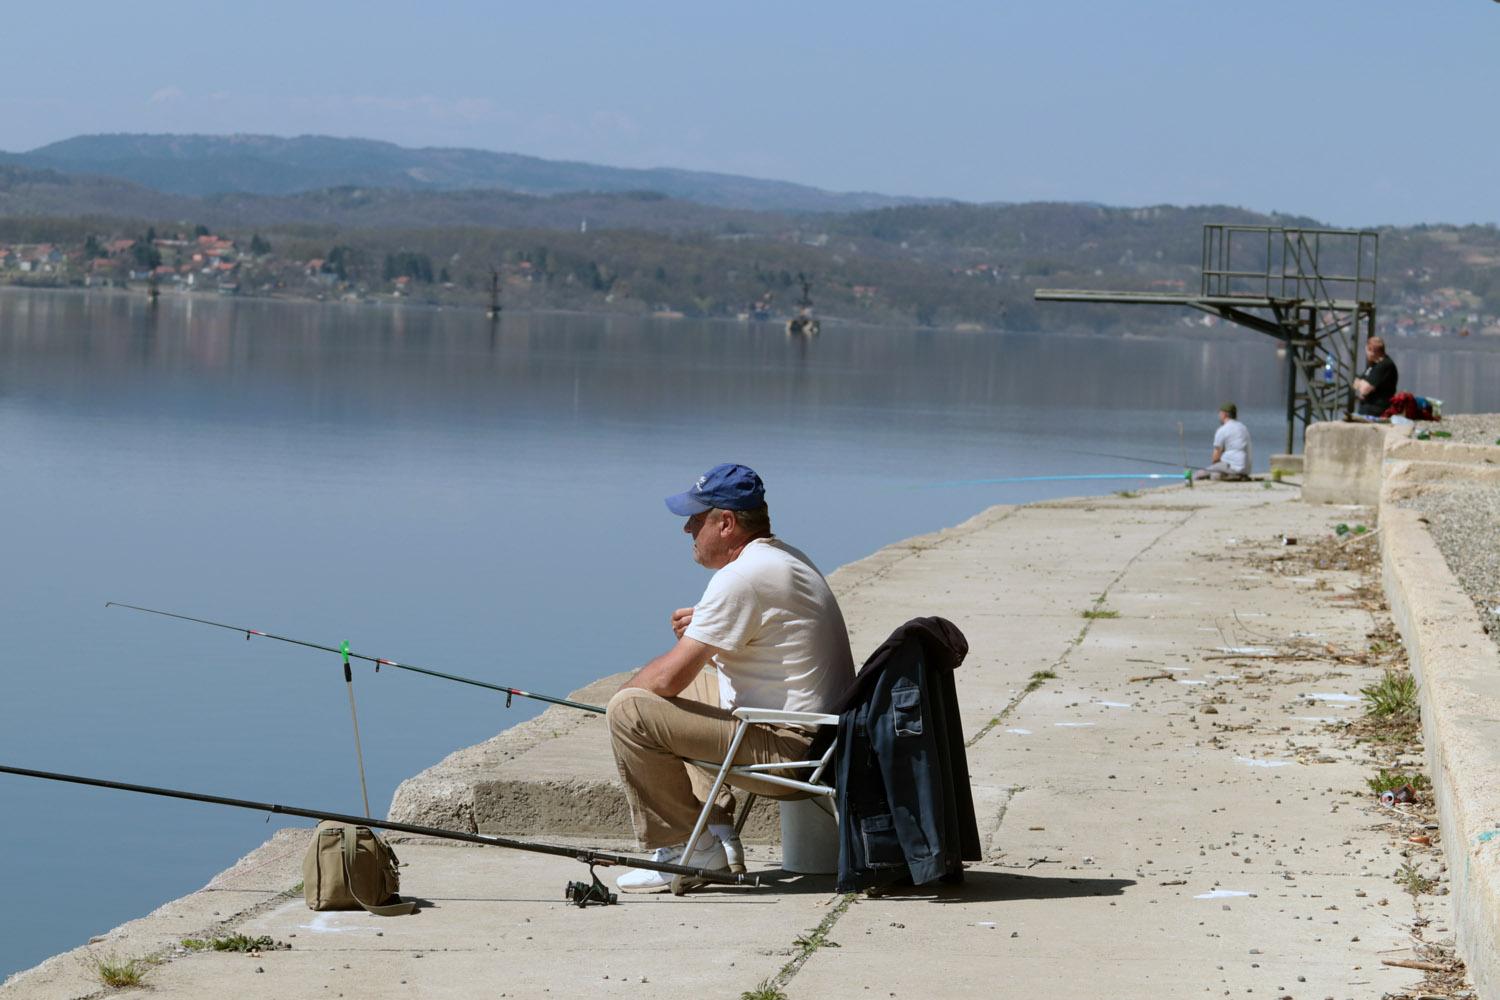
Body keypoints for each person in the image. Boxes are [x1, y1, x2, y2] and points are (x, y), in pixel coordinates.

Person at [606, 463, 855, 892]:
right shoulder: (782, 557)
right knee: (686, 686)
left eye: (696, 519)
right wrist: (709, 626)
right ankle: (717, 829)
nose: (687, 529)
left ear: (726, 523)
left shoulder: (741, 577)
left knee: (631, 711)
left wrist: (628, 700)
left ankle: (686, 845)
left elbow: (665, 682)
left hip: (791, 755)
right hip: (825, 741)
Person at [1194, 402, 1251, 481]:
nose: (1219, 416)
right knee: (1215, 472)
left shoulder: (1223, 430)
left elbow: (1215, 458)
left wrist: (1214, 467)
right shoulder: (1243, 427)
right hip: (1246, 470)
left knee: (1198, 474)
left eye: (1219, 413)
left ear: (1224, 414)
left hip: (1232, 468)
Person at [1353, 336, 1398, 417]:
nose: (1366, 354)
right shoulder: (1373, 365)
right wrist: (1362, 385)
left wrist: (1362, 386)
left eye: (1367, 351)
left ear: (1372, 351)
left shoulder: (1384, 365)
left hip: (1376, 409)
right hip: (1366, 407)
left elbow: (1364, 390)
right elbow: (1355, 382)